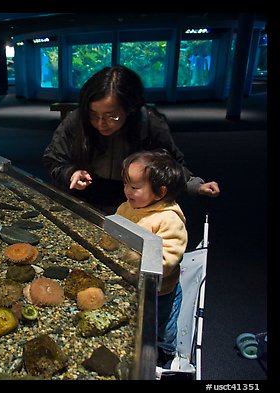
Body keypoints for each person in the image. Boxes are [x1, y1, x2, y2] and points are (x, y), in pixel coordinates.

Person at [42, 65, 220, 215]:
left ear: (129, 108)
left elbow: (171, 164)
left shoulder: (149, 123)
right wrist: (71, 173)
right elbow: (53, 158)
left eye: (111, 116)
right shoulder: (77, 119)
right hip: (84, 198)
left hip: (133, 202)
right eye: (94, 115)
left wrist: (195, 185)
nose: (101, 123)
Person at [115, 148, 188, 368]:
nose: (127, 190)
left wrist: (127, 255)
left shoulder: (168, 219)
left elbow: (166, 259)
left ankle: (166, 353)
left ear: (159, 192)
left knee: (162, 326)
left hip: (161, 291)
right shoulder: (127, 207)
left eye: (135, 187)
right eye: (126, 183)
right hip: (133, 281)